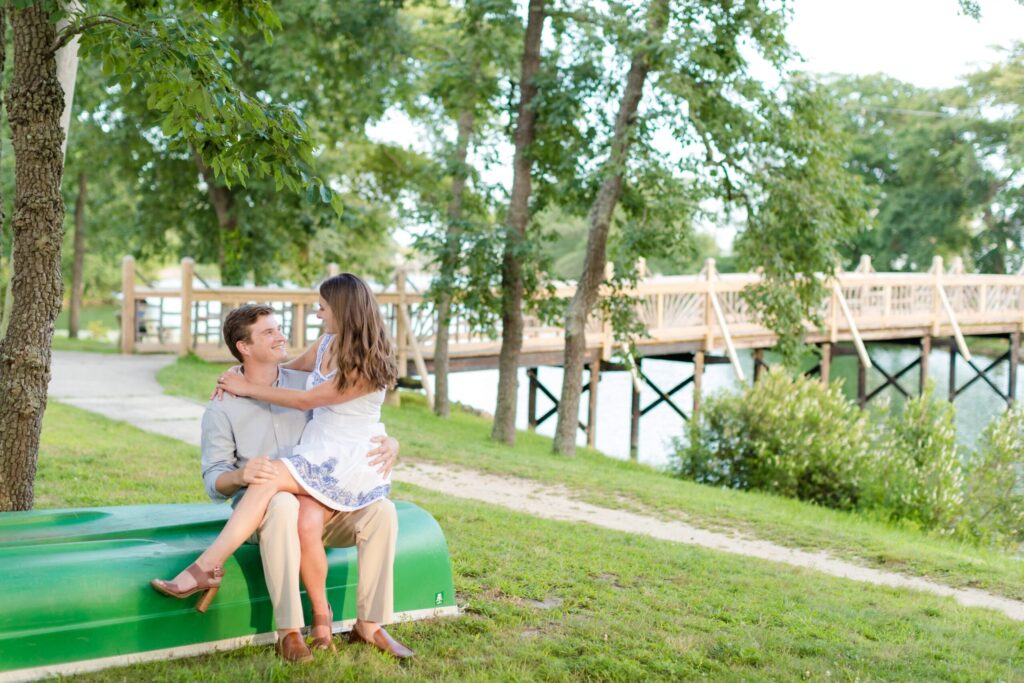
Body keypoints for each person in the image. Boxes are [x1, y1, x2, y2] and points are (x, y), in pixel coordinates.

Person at [151, 276, 413, 662]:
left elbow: (310, 399)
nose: (315, 313)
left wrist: (393, 442)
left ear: (342, 309)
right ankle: (297, 627)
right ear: (244, 347)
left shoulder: (355, 368)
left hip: (342, 462)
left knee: (381, 512)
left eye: (322, 306)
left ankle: (369, 623)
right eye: (269, 332)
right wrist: (240, 379)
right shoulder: (233, 400)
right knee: (284, 500)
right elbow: (216, 478)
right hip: (309, 472)